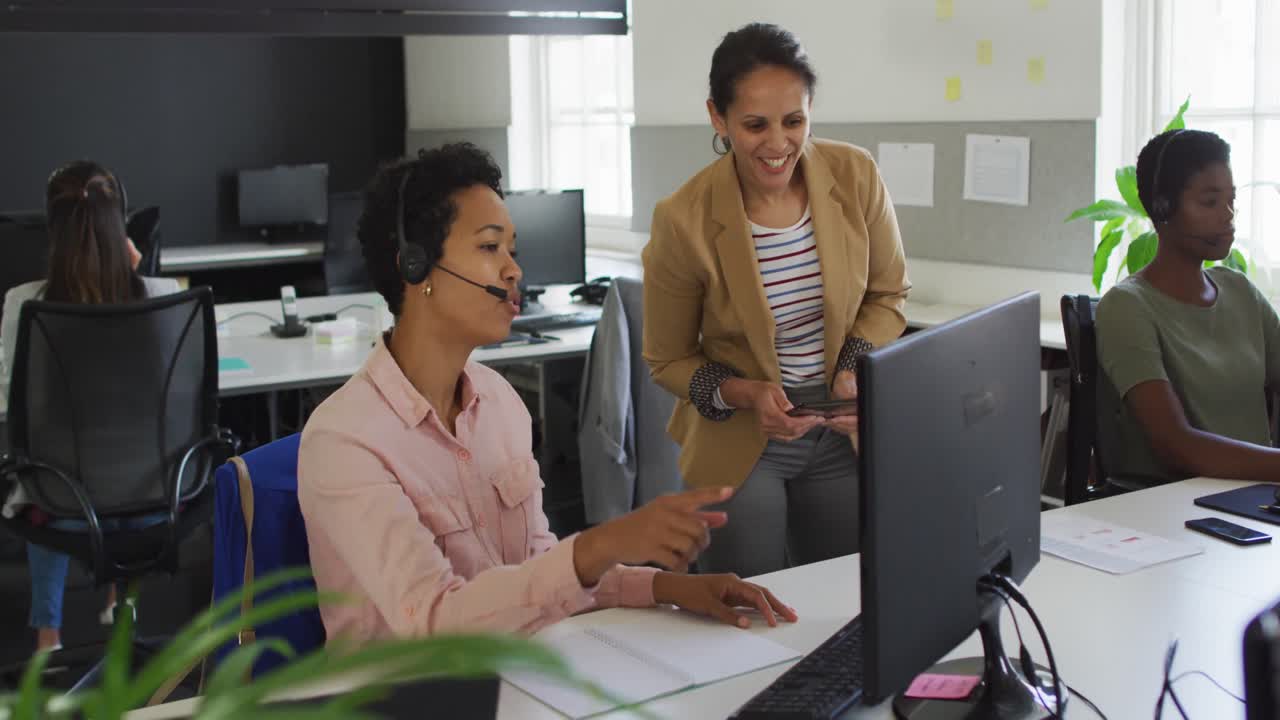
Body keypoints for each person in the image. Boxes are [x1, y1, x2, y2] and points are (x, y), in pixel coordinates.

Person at [296, 143, 797, 647]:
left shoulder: (500, 403)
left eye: (513, 250)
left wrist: (669, 587)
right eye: (491, 248)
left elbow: (541, 579)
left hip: (517, 676)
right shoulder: (345, 441)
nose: (513, 270)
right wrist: (600, 544)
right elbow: (434, 624)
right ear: (415, 266)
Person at [641, 23, 910, 577]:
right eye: (755, 125)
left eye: (795, 121)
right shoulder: (682, 218)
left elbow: (888, 297)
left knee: (845, 596)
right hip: (743, 436)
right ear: (718, 117)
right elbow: (667, 360)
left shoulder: (854, 174)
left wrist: (853, 368)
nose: (778, 143)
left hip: (841, 425)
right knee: (749, 602)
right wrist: (745, 393)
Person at [0, 161, 180, 653]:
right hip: (150, 498)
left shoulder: (25, 303)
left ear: (53, 231)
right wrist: (137, 273)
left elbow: (8, 402)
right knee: (113, 461)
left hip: (62, 502)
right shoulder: (162, 297)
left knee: (43, 471)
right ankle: (122, 604)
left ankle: (48, 638)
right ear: (120, 225)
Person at [1096, 129, 1280, 487]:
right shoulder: (1127, 307)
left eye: (1231, 200)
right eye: (1210, 203)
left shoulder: (1240, 290)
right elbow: (1177, 447)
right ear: (1163, 207)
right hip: (1175, 512)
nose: (1227, 216)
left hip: (1252, 500)